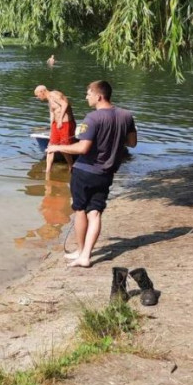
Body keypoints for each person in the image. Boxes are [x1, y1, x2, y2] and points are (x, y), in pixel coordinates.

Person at [46, 80, 137, 268]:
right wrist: (113, 139)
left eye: (88, 93)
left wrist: (56, 146)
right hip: (106, 173)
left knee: (80, 211)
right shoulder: (126, 115)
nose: (86, 97)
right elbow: (132, 143)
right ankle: (86, 255)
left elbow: (83, 147)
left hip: (85, 171)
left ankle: (80, 251)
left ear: (99, 96)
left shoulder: (93, 118)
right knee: (94, 213)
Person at [34, 85, 76, 178]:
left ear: (42, 91)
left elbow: (65, 104)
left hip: (65, 123)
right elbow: (52, 113)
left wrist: (60, 119)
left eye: (37, 95)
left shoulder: (54, 95)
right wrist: (51, 126)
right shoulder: (49, 100)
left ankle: (71, 166)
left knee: (64, 146)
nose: (38, 97)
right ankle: (48, 170)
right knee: (50, 146)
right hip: (56, 124)